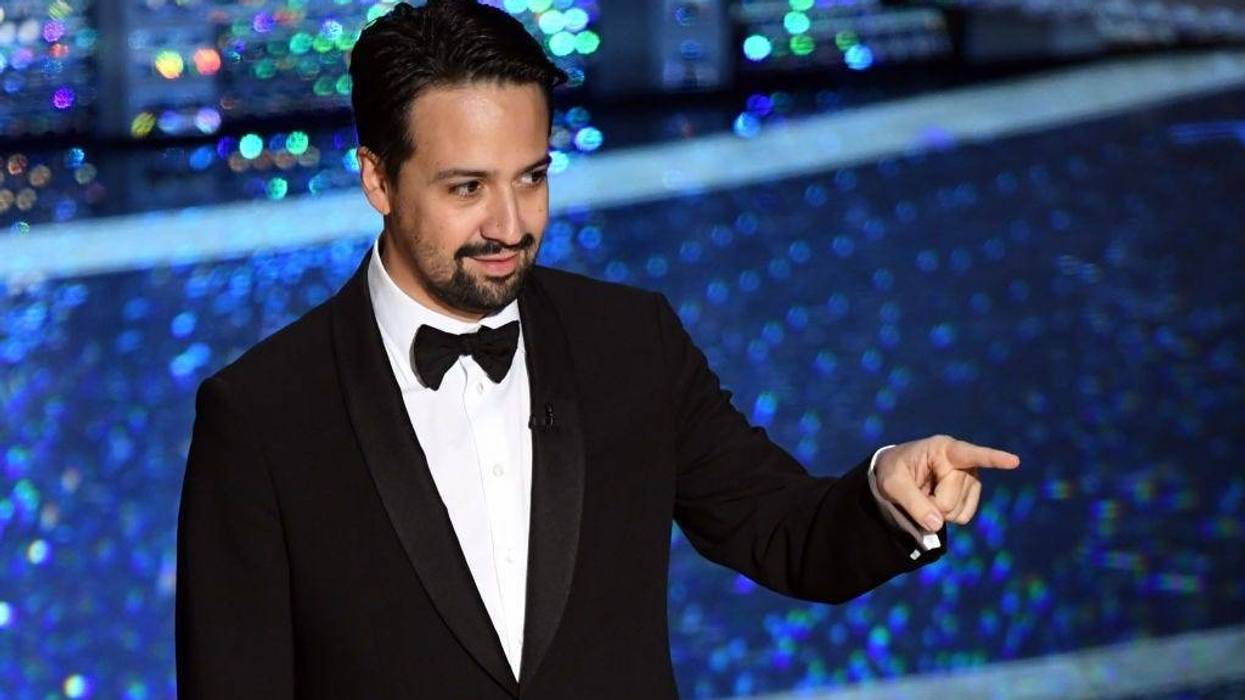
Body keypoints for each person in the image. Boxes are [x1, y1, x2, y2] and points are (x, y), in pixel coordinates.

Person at [174, 1, 1021, 697]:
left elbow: (781, 530)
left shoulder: (630, 342)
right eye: (467, 187)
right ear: (377, 180)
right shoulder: (261, 415)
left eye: (532, 177)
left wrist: (881, 492)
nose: (510, 225)